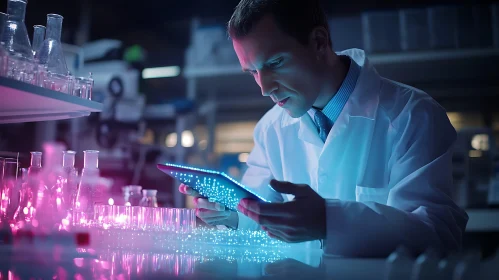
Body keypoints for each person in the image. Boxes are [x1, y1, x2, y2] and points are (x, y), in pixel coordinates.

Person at [179, 0, 468, 257]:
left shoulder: (412, 115)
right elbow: (261, 208)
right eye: (253, 71)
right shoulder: (270, 129)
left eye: (275, 62)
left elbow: (438, 234)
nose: (264, 88)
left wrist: (330, 222)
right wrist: (230, 215)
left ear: (319, 42)